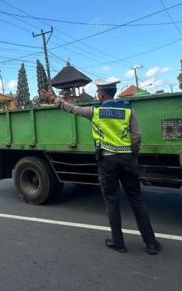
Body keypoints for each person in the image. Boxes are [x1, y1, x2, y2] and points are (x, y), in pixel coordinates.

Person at [40, 80, 161, 254]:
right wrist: (132, 155)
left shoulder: (95, 111)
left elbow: (72, 109)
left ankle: (118, 242)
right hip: (127, 160)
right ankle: (151, 243)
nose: (97, 95)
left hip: (107, 162)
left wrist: (54, 99)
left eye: (98, 92)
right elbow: (137, 136)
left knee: (112, 201)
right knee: (136, 200)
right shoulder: (128, 110)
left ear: (102, 94)